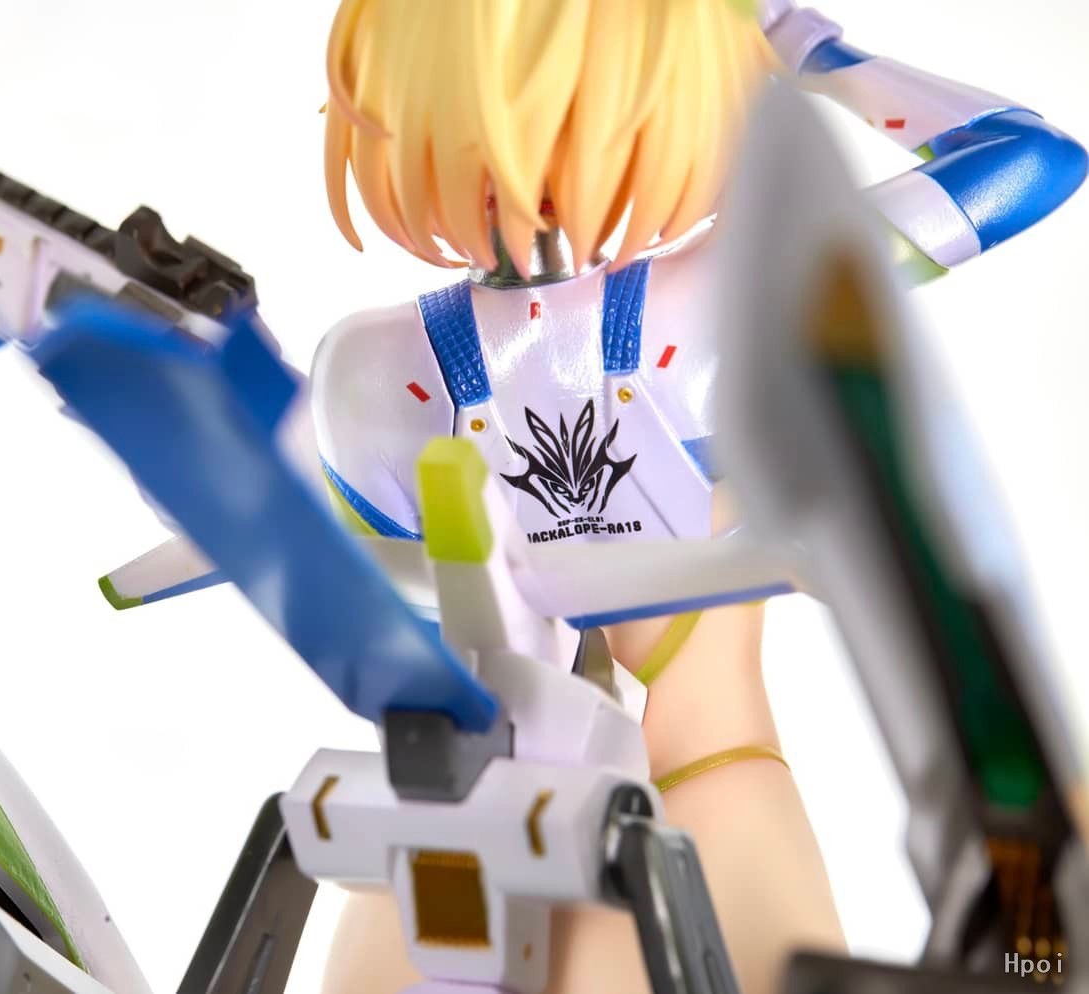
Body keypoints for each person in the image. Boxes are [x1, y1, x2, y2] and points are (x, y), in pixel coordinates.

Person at [310, 2, 1087, 993]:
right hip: (536, 800)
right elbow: (1024, 157)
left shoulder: (376, 372)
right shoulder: (727, 298)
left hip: (541, 803)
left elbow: (1039, 161)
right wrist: (801, 47)